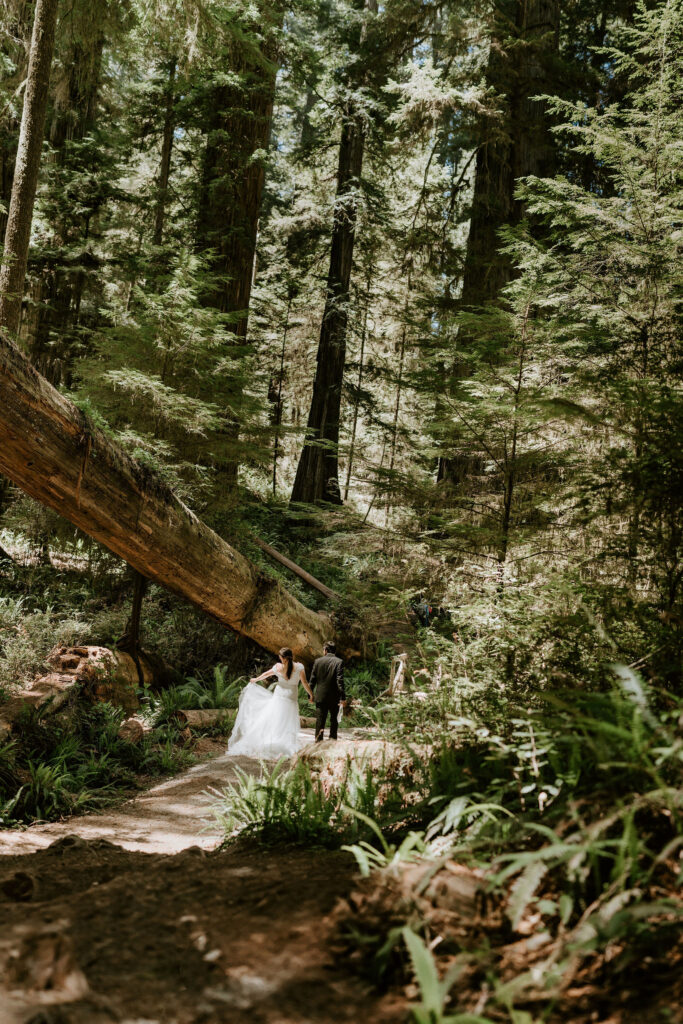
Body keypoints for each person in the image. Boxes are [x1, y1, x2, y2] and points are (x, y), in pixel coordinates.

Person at [227, 647, 313, 758]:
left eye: (280, 657)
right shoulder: (299, 667)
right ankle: (284, 742)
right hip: (292, 697)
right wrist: (311, 694)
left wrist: (255, 679)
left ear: (282, 658)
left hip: (280, 696)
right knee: (288, 720)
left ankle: (274, 740)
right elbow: (305, 682)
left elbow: (266, 674)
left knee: (276, 719)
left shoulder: (278, 667)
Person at [309, 641, 346, 743]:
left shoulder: (317, 661)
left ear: (325, 650)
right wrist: (343, 697)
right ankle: (332, 744)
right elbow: (340, 681)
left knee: (320, 722)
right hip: (334, 697)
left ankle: (318, 744)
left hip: (320, 697)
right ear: (334, 651)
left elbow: (312, 680)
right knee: (334, 721)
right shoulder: (339, 662)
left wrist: (310, 695)